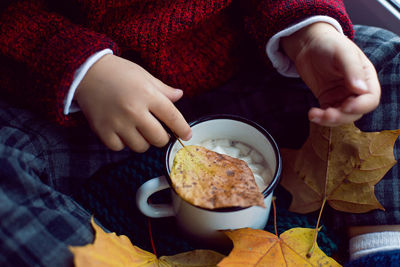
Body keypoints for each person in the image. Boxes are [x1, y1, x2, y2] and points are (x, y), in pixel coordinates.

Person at [0, 0, 399, 266]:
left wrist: (308, 33)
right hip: (82, 115)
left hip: (243, 73)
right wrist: (81, 68)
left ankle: (378, 244)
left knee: (384, 57)